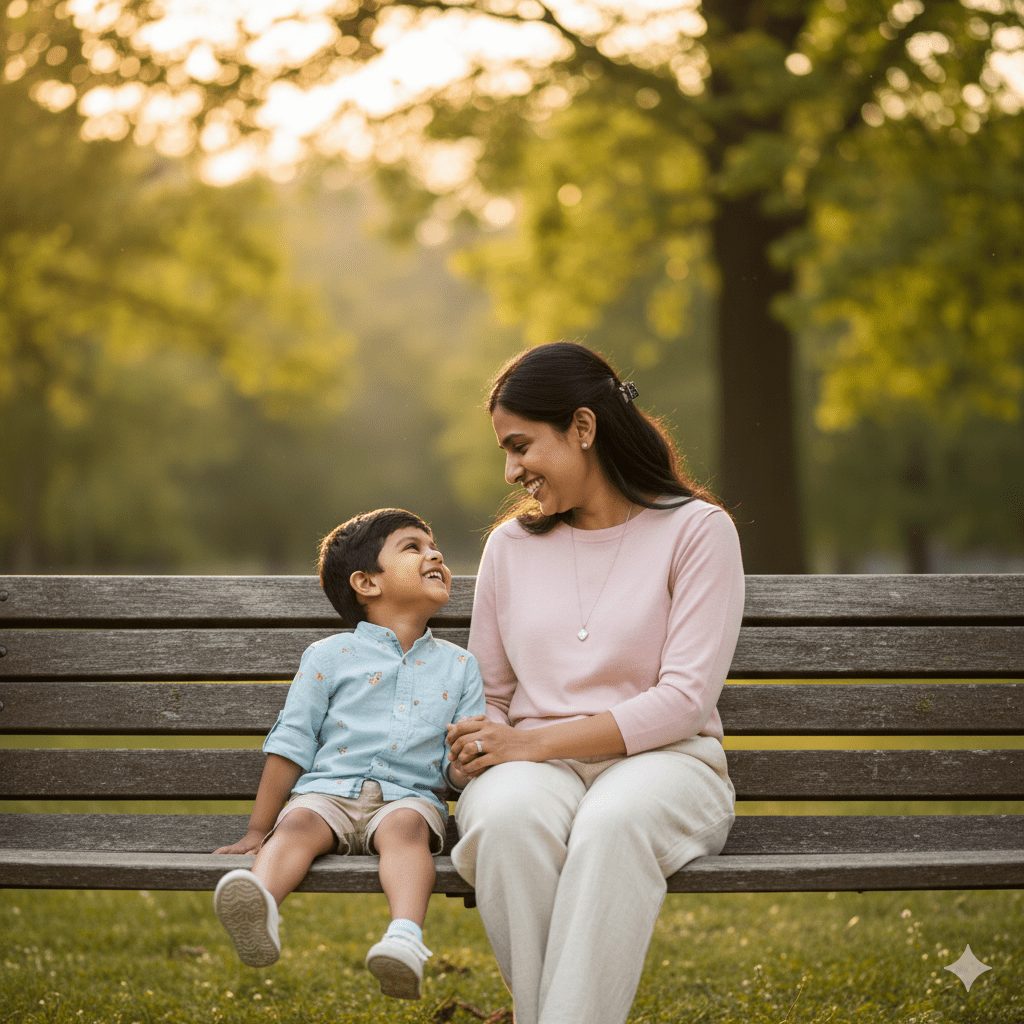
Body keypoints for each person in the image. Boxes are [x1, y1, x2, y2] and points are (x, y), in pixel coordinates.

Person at [446, 342, 745, 1024]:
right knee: (507, 819)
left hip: (668, 763)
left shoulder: (698, 532)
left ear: (583, 428)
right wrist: (475, 751)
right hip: (537, 770)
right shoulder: (510, 549)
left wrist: (525, 746)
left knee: (613, 824)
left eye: (521, 445)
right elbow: (491, 698)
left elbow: (683, 701)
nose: (511, 468)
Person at [212, 507, 484, 1000]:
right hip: (329, 792)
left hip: (407, 797)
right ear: (366, 582)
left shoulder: (461, 666)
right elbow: (292, 741)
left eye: (434, 545)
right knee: (295, 826)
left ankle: (404, 938)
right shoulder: (329, 656)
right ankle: (260, 908)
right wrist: (258, 829)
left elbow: (455, 765)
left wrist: (463, 769)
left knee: (406, 831)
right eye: (412, 547)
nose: (435, 554)